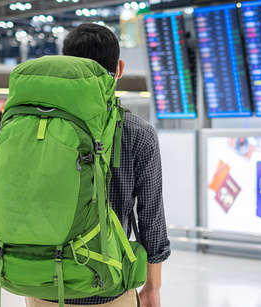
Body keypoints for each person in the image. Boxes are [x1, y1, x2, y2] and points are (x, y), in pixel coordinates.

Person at [25, 24, 171, 307]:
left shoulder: (34, 125)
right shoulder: (136, 132)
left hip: (44, 285)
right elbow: (151, 217)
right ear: (119, 69)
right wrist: (153, 287)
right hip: (108, 287)